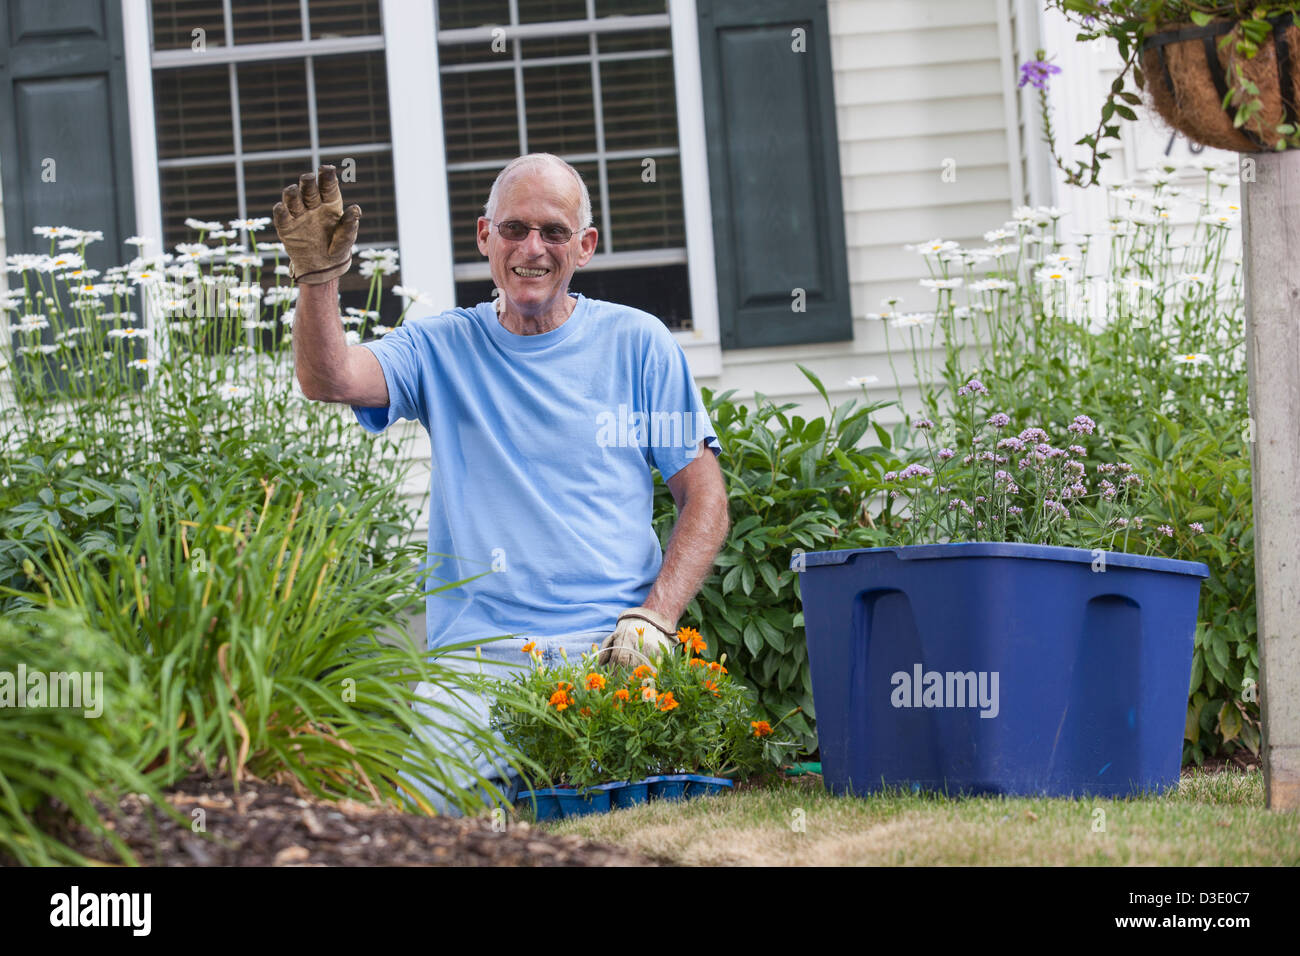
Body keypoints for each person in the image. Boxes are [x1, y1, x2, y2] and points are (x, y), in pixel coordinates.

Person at [272, 153, 729, 813]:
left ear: (586, 246)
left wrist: (655, 618)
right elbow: (329, 379)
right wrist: (317, 280)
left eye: (554, 232)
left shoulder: (639, 345)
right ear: (484, 237)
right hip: (474, 662)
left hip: (611, 647)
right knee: (429, 841)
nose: (532, 249)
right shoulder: (439, 349)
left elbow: (705, 498)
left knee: (624, 836)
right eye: (514, 230)